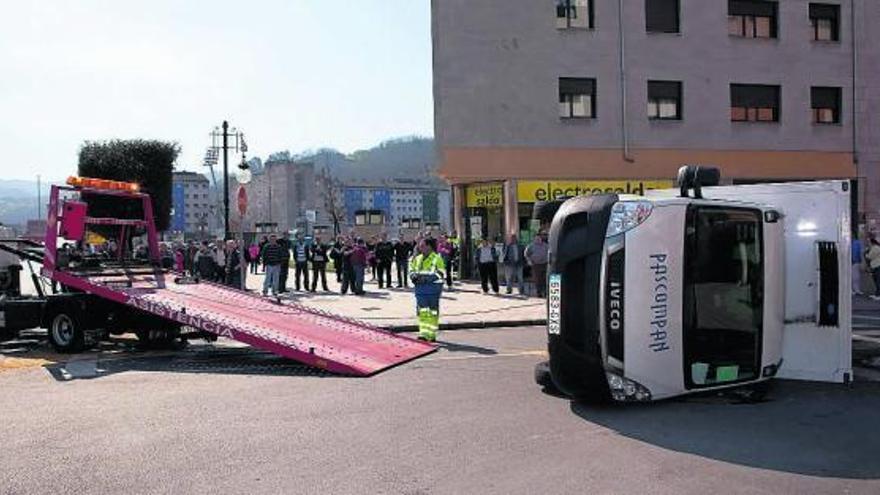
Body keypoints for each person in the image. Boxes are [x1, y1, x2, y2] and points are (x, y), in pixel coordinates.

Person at [409, 238, 446, 342]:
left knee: (433, 312)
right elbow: (411, 269)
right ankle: (424, 333)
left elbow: (441, 273)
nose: (420, 248)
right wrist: (413, 276)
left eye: (422, 245)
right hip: (420, 290)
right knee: (423, 312)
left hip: (433, 290)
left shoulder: (437, 258)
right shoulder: (418, 258)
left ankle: (431, 334)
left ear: (429, 246)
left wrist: (425, 279)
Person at [525, 233, 549, 298]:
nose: (538, 239)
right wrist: (529, 261)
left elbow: (549, 252)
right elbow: (526, 254)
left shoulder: (545, 245)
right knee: (537, 280)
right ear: (534, 239)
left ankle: (545, 292)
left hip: (545, 264)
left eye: (539, 238)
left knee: (545, 279)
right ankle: (539, 292)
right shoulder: (531, 246)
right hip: (536, 265)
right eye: (536, 238)